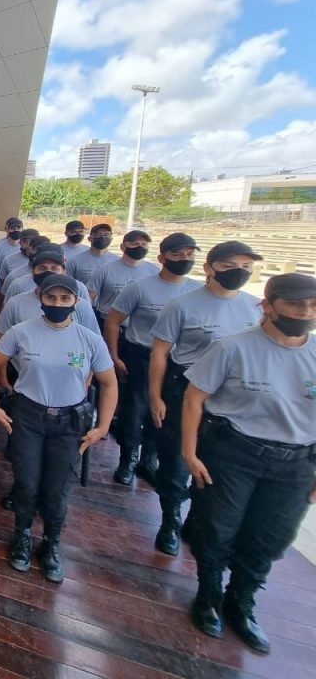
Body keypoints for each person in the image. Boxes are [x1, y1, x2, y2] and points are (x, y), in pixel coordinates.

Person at [180, 273, 316, 653]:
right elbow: (194, 400)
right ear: (268, 306)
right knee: (217, 527)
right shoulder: (233, 348)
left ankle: (242, 600)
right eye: (295, 304)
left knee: (271, 536)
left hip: (295, 461)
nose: (305, 312)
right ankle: (208, 595)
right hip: (235, 452)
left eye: (312, 305)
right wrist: (189, 452)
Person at [0, 274, 117, 583]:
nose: (57, 304)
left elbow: (109, 383)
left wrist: (103, 426)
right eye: (51, 298)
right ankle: (23, 536)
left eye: (64, 299)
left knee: (57, 489)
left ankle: (52, 543)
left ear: (76, 302)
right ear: (41, 298)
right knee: (27, 482)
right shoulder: (21, 332)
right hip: (28, 417)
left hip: (69, 423)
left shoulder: (89, 339)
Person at [149, 241, 263, 556]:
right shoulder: (183, 305)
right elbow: (160, 353)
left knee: (215, 465)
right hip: (183, 386)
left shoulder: (256, 309)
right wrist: (155, 396)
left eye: (245, 266)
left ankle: (197, 521)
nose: (238, 272)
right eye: (229, 266)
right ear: (209, 269)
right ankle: (170, 519)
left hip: (229, 398)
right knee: (175, 460)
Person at [104, 233, 201, 485]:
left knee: (163, 415)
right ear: (162, 257)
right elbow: (113, 322)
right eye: (177, 254)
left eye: (189, 254)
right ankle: (128, 460)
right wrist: (115, 356)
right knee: (134, 412)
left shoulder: (196, 291)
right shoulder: (140, 287)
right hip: (140, 355)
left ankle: (150, 459)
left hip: (175, 362)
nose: (184, 259)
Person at [88, 230, 160, 331]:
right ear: (123, 247)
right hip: (107, 323)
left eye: (144, 244)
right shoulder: (105, 270)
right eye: (135, 244)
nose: (140, 247)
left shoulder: (155, 271)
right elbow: (89, 297)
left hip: (141, 328)